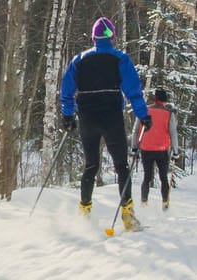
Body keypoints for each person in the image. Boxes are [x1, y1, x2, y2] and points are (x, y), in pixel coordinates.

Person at [58, 17, 149, 232]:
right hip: (112, 118)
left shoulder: (79, 60)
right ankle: (127, 215)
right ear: (113, 37)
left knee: (91, 165)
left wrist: (68, 116)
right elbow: (133, 91)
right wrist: (144, 116)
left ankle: (84, 212)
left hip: (88, 118)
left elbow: (66, 91)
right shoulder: (120, 59)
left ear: (93, 37)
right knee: (121, 165)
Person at [136, 87, 177, 210]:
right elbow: (173, 133)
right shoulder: (169, 114)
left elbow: (136, 130)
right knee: (163, 177)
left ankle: (144, 202)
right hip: (162, 150)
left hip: (146, 148)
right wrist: (176, 151)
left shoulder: (145, 111)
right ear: (164, 100)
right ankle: (165, 202)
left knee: (147, 177)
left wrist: (134, 147)